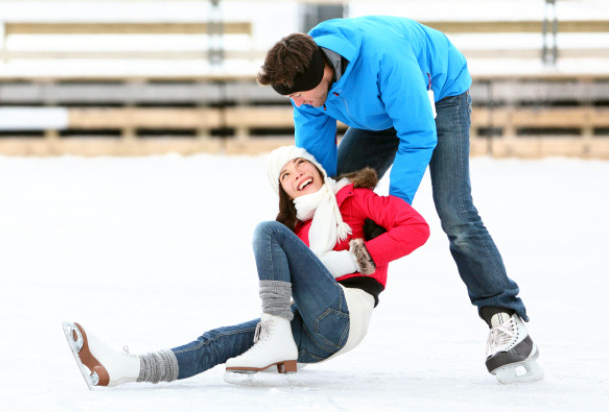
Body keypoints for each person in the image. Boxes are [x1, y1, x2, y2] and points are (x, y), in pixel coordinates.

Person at [257, 16, 543, 383]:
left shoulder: (384, 59)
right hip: (381, 109)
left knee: (456, 212)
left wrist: (396, 207)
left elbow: (418, 135)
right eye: (291, 97)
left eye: (300, 95)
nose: (298, 103)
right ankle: (325, 300)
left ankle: (506, 318)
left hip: (439, 94)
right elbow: (319, 174)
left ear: (323, 73)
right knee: (335, 197)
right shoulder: (303, 77)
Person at [62, 145, 429, 388]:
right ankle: (129, 368)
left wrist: (353, 259)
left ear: (316, 166)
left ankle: (275, 334)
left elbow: (417, 228)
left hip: (347, 312)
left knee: (266, 232)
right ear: (285, 192)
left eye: (300, 162)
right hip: (317, 336)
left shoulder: (355, 198)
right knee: (218, 340)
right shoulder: (296, 232)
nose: (296, 172)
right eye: (285, 175)